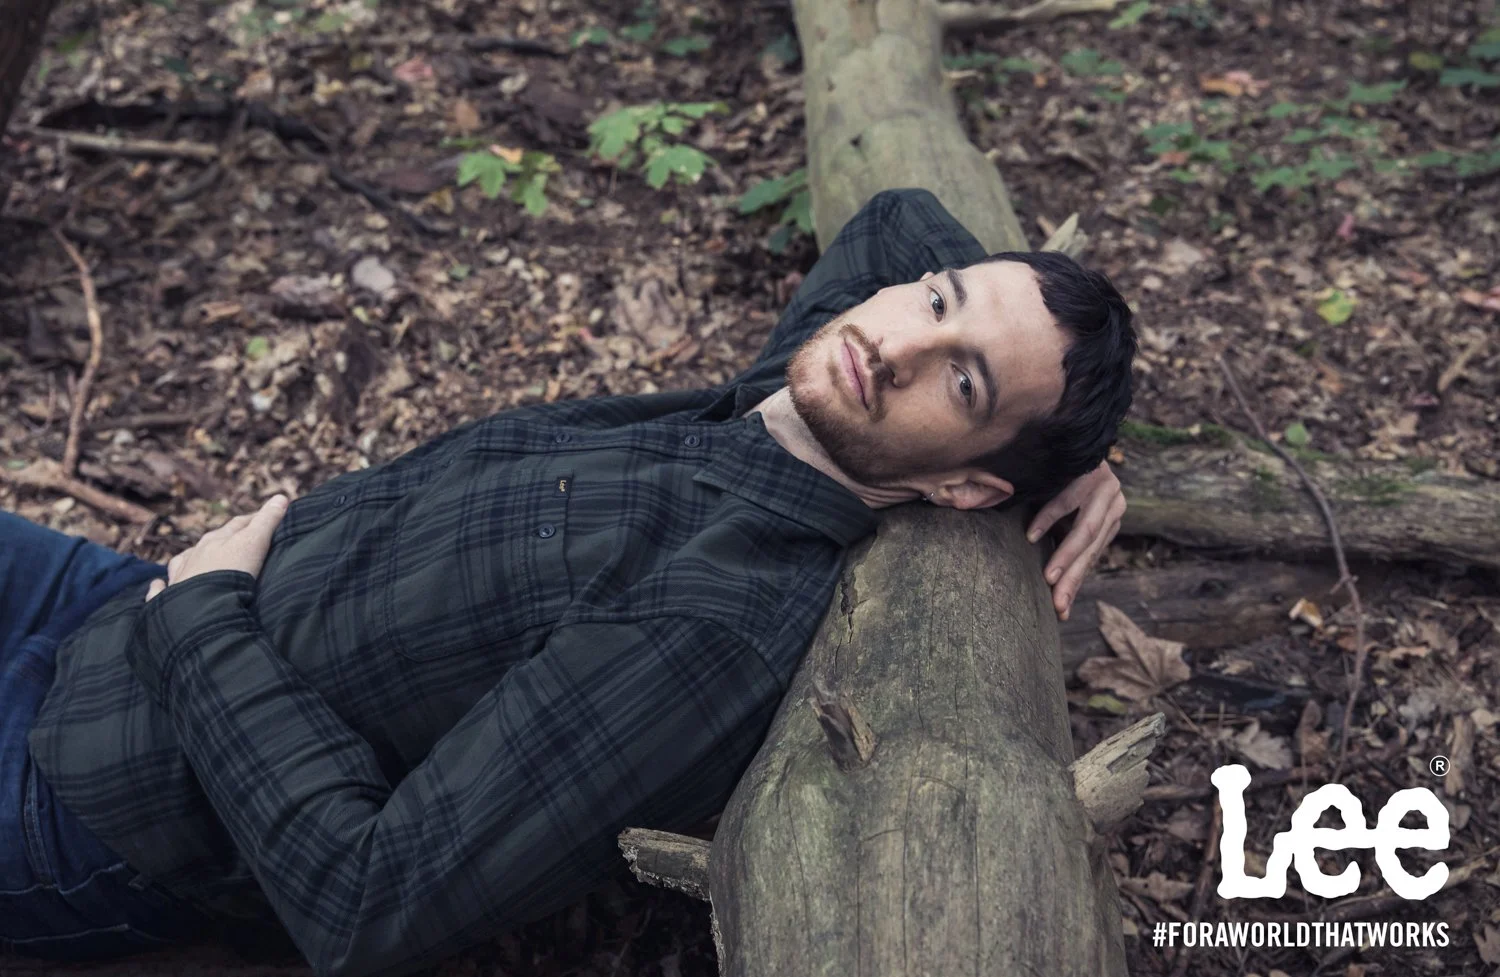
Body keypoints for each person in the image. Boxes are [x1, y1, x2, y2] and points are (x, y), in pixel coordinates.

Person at [1, 188, 1135, 976]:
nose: (898, 347)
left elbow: (371, 900)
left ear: (971, 490)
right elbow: (898, 215)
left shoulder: (715, 619)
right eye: (936, 301)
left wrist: (205, 618)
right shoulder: (786, 399)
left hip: (97, 796)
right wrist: (1086, 446)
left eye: (966, 383)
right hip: (105, 605)